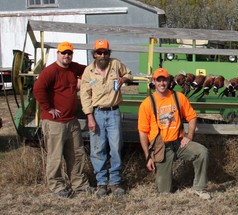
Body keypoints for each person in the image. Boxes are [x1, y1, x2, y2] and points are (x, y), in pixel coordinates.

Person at [138, 68, 211, 200]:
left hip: (179, 142)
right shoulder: (147, 104)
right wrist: (148, 156)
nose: (162, 83)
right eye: (158, 80)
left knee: (202, 152)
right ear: (153, 82)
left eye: (164, 80)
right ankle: (168, 182)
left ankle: (200, 188)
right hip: (161, 147)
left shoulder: (178, 97)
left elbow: (192, 117)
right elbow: (143, 132)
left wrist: (189, 136)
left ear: (169, 81)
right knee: (164, 193)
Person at [33, 41, 92, 198]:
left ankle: (79, 183)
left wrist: (85, 79)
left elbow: (89, 70)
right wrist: (49, 109)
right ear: (57, 54)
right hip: (55, 123)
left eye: (69, 53)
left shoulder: (74, 67)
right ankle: (56, 185)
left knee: (77, 153)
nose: (66, 56)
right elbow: (38, 89)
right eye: (63, 53)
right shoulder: (50, 71)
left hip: (72, 120)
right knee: (55, 155)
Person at [80, 39, 132, 198]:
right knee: (98, 149)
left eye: (105, 52)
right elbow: (85, 95)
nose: (102, 55)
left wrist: (125, 79)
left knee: (116, 148)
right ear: (94, 54)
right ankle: (101, 183)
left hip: (114, 112)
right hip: (97, 114)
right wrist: (89, 117)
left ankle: (115, 183)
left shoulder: (116, 64)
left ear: (109, 53)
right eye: (99, 52)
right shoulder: (89, 72)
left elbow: (129, 73)